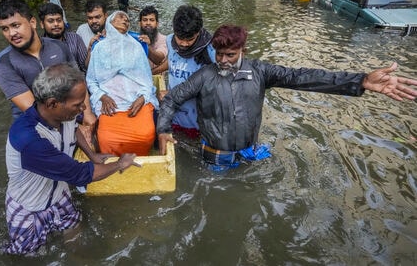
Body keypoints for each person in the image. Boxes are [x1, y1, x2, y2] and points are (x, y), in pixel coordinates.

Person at [157, 24, 417, 171]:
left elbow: (303, 77)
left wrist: (360, 80)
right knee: (217, 196)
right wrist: (164, 129)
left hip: (250, 148)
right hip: (215, 153)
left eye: (231, 55)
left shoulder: (260, 71)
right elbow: (171, 99)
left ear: (242, 50)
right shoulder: (205, 76)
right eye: (220, 54)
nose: (223, 61)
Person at [3, 63, 140, 255]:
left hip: (59, 193)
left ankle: (77, 257)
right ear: (52, 103)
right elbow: (79, 174)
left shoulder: (65, 115)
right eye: (77, 104)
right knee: (29, 255)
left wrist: (93, 155)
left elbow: (74, 130)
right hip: (29, 206)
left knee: (74, 231)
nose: (83, 108)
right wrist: (120, 163)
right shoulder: (29, 139)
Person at [0, 0, 96, 130]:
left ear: (33, 22)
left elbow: (79, 81)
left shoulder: (58, 46)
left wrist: (87, 114)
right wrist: (74, 129)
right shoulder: (4, 62)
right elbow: (32, 108)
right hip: (35, 124)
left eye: (16, 25)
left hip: (71, 112)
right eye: (5, 29)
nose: (11, 33)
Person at [86, 11, 159, 156]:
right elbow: (91, 80)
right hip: (111, 102)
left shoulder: (136, 46)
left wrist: (143, 98)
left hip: (136, 99)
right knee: (106, 138)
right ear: (109, 23)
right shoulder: (100, 48)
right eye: (120, 18)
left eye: (127, 19)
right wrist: (102, 96)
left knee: (146, 135)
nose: (125, 20)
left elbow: (146, 79)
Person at [165, 5, 215, 138]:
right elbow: (172, 62)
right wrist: (154, 70)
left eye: (190, 39)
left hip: (197, 119)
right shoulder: (169, 41)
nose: (184, 44)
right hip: (174, 114)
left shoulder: (212, 51)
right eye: (180, 38)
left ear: (198, 32)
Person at [39, 3, 87, 73]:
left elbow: (85, 67)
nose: (56, 24)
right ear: (42, 24)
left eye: (59, 20)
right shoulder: (39, 45)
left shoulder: (75, 38)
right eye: (51, 21)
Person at [137, 6, 168, 75]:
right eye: (145, 20)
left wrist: (147, 46)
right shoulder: (135, 39)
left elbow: (158, 59)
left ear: (157, 24)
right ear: (140, 23)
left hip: (155, 78)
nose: (148, 23)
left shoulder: (164, 39)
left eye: (151, 20)